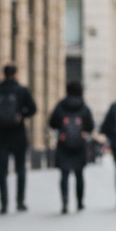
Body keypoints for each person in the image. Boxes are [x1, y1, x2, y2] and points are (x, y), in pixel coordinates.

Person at [0, 63, 36, 213]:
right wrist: (21, 116)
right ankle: (20, 202)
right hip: (18, 135)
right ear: (16, 74)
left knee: (2, 171)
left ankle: (4, 203)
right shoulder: (22, 91)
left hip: (0, 135)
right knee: (21, 169)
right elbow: (33, 109)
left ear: (3, 74)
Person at [48, 81, 94, 212]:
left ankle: (65, 202)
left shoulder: (61, 105)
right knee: (79, 174)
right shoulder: (84, 107)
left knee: (64, 174)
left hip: (64, 143)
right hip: (79, 144)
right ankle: (79, 202)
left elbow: (52, 123)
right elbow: (90, 126)